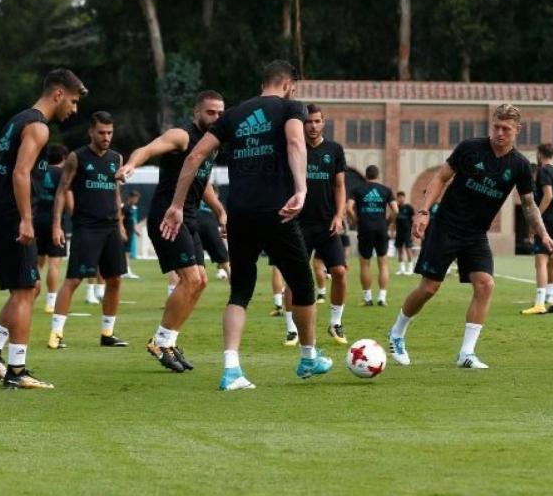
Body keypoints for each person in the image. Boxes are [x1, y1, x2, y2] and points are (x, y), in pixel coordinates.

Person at [161, 59, 331, 390]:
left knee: (240, 292)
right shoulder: (290, 108)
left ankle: (232, 370)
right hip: (277, 210)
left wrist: (177, 205)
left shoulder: (234, 115)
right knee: (303, 284)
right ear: (288, 85)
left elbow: (194, 157)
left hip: (240, 213)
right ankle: (308, 357)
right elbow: (296, 143)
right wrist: (301, 189)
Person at [388, 104, 553, 369]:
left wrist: (543, 234)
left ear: (517, 131)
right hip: (446, 225)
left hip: (476, 234)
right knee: (429, 288)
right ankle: (397, 333)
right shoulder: (470, 148)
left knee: (485, 284)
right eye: (496, 127)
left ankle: (466, 353)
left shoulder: (520, 165)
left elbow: (528, 205)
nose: (499, 133)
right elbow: (440, 178)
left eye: (506, 129)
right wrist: (423, 212)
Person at [0, 68, 86, 389]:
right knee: (24, 291)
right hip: (9, 215)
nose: (74, 110)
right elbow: (20, 174)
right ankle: (17, 370)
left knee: (30, 288)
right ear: (58, 94)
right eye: (74, 102)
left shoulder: (19, 120)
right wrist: (25, 219)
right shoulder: (38, 127)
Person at [116, 90, 225, 372]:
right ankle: (160, 342)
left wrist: (220, 211)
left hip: (189, 218)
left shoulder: (212, 144)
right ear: (196, 113)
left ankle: (169, 340)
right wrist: (131, 164)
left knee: (201, 281)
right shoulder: (182, 136)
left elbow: (204, 183)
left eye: (220, 113)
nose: (216, 118)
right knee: (189, 279)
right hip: (167, 216)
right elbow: (149, 149)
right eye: (210, 112)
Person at [48, 111, 130, 349]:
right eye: (101, 133)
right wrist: (56, 225)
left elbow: (115, 192)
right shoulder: (77, 157)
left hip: (111, 227)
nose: (106, 137)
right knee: (74, 279)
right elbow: (62, 191)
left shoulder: (116, 158)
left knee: (114, 279)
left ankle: (107, 333)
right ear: (91, 132)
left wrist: (121, 224)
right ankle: (56, 334)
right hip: (87, 227)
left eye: (110, 133)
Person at [281, 103, 349, 345]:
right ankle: (292, 329)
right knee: (293, 278)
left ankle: (336, 322)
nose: (313, 126)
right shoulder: (293, 148)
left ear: (324, 122)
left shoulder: (334, 149)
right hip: (297, 224)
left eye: (317, 121)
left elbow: (339, 186)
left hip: (326, 224)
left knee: (340, 272)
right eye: (308, 121)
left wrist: (339, 215)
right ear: (302, 124)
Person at [521, 143, 553, 315]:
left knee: (540, 261)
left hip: (547, 220)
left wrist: (536, 218)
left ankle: (540, 303)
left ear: (540, 154)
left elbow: (548, 195)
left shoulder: (543, 171)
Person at [348, 165, 398, 306]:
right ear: (378, 175)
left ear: (366, 175)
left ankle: (368, 298)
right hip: (381, 228)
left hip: (364, 228)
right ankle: (382, 297)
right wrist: (387, 222)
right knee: (383, 264)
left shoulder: (357, 190)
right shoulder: (386, 190)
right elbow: (395, 210)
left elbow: (348, 208)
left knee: (365, 264)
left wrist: (356, 221)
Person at [35, 145, 69, 313]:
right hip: (55, 223)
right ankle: (51, 302)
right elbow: (68, 201)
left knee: (37, 263)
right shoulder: (63, 174)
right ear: (64, 157)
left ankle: (29, 295)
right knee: (54, 264)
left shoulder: (38, 171)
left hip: (36, 221)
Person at [197, 189, 231, 281]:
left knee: (196, 265)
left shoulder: (194, 200)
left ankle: (221, 270)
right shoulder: (217, 205)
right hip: (210, 228)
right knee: (225, 261)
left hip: (195, 226)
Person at [122, 189, 142, 279]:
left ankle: (125, 270)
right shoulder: (125, 207)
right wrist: (122, 232)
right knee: (125, 252)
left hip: (130, 234)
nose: (136, 201)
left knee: (127, 252)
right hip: (124, 234)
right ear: (131, 198)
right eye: (135, 198)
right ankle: (125, 271)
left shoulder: (131, 208)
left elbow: (131, 221)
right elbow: (121, 220)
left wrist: (136, 231)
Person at [394, 191, 415, 274]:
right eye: (398, 197)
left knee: (408, 249)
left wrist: (413, 232)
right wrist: (392, 231)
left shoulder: (408, 207)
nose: (400, 199)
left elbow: (413, 220)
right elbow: (393, 220)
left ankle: (410, 268)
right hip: (399, 232)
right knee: (399, 250)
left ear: (404, 198)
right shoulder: (396, 208)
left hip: (407, 232)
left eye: (401, 197)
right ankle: (401, 269)